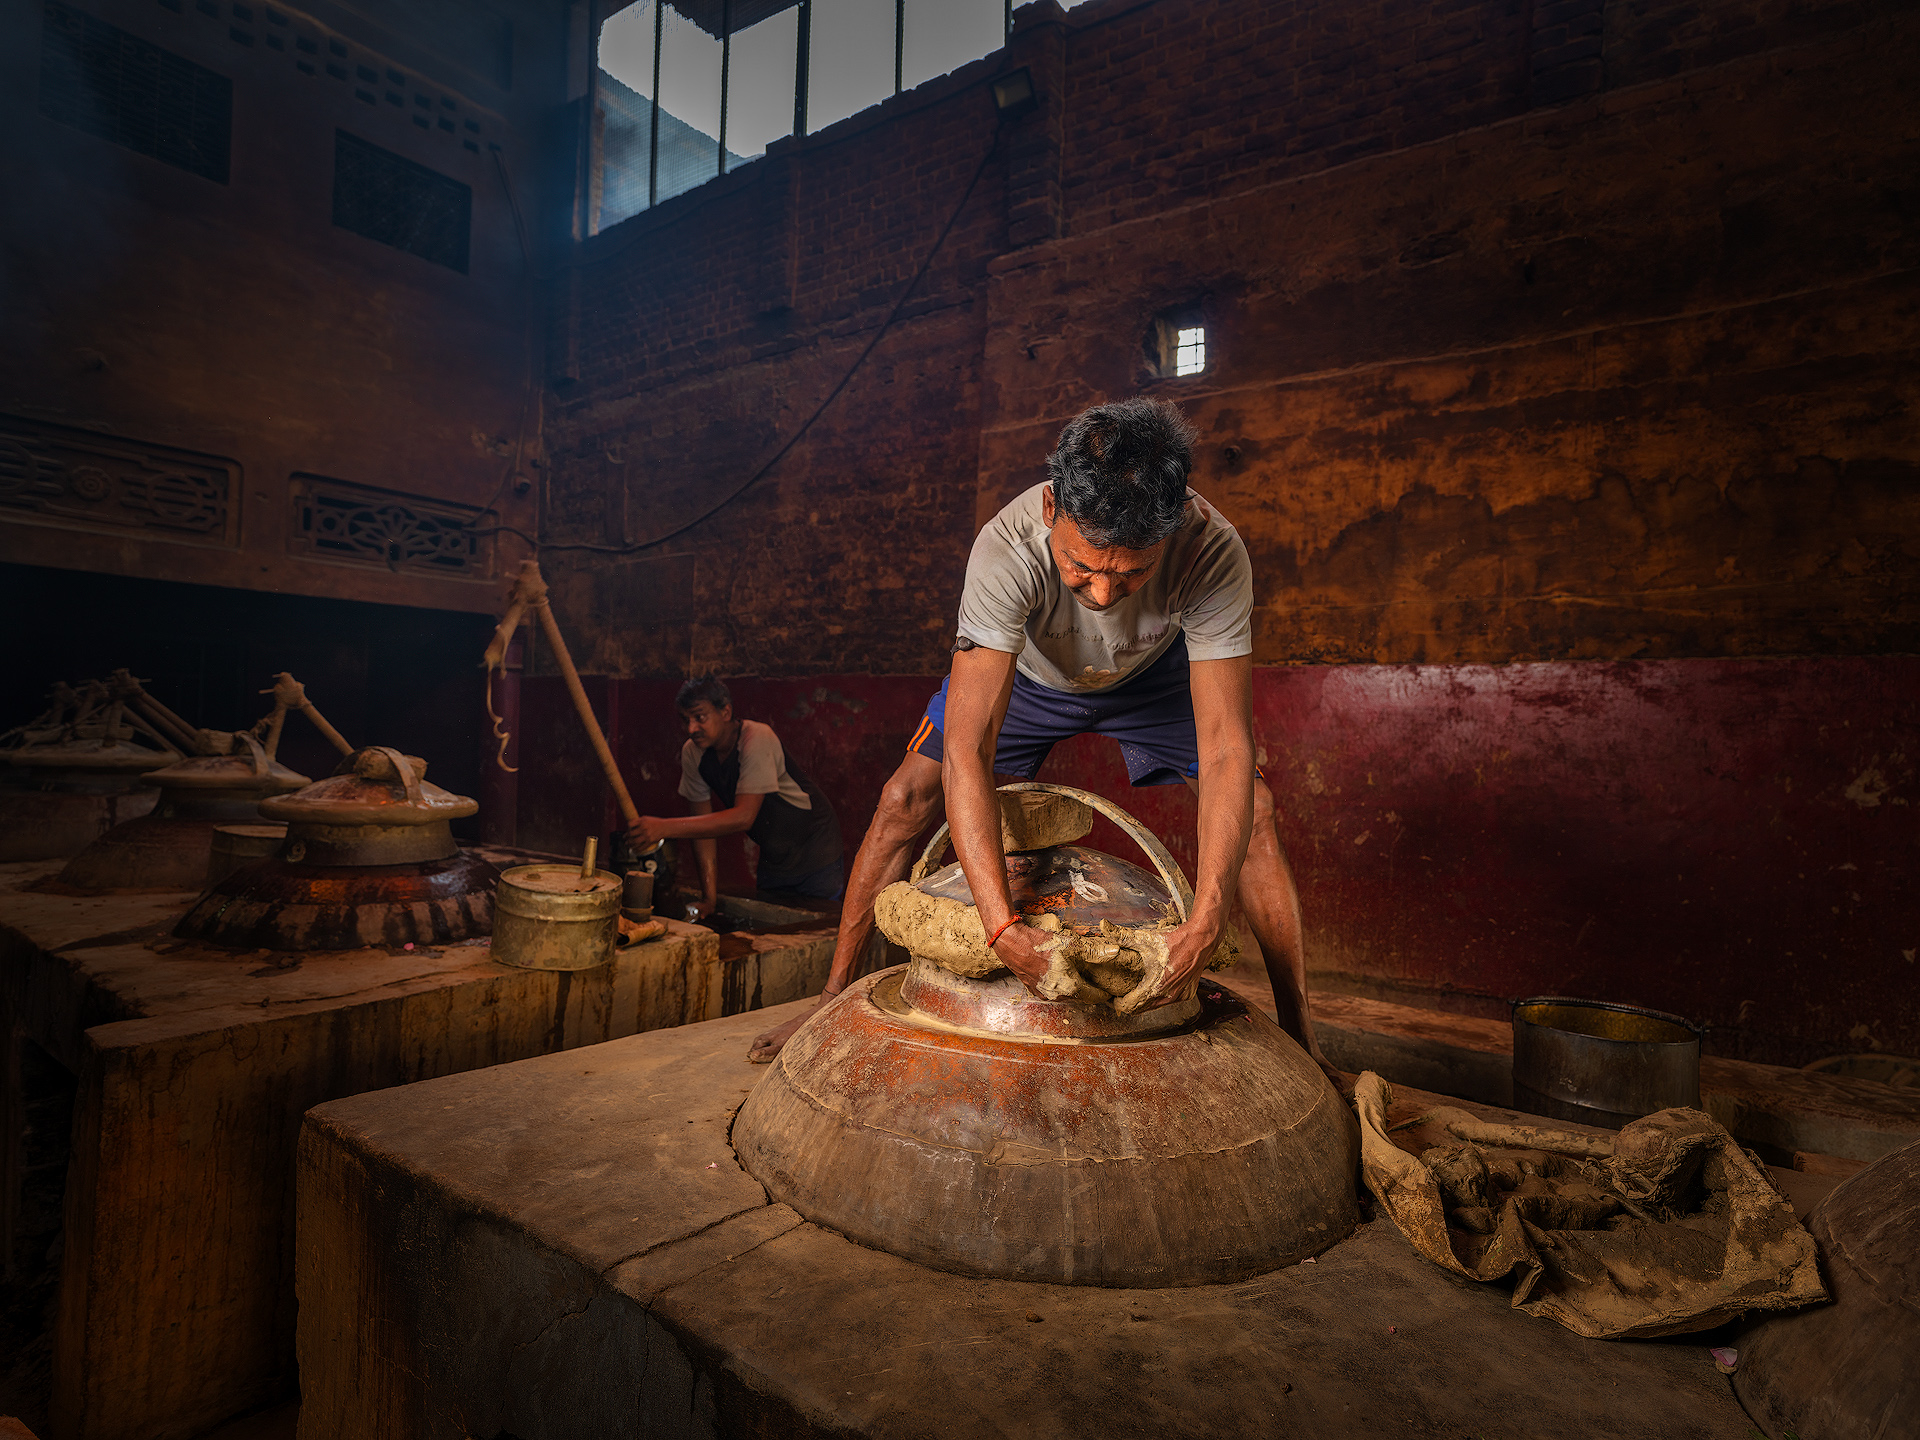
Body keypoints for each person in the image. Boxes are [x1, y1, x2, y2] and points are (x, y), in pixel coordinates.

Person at [748, 397, 1332, 1081]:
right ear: (1053, 509)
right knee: (903, 799)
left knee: (1257, 815)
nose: (1105, 595)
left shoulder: (1213, 549)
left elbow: (1229, 747)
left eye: (1132, 574)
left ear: (1172, 532)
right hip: (1027, 674)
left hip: (1153, 679)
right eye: (1082, 568)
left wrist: (1203, 927)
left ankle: (1303, 1041)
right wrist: (1002, 929)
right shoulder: (1006, 547)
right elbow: (968, 748)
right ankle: (827, 999)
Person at [626, 676, 843, 919]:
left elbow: (744, 817)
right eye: (686, 720)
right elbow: (702, 829)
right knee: (772, 928)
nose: (692, 728)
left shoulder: (756, 737)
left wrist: (662, 828)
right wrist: (709, 900)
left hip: (815, 846)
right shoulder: (693, 753)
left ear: (726, 711)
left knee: (819, 928)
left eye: (700, 717)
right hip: (775, 854)